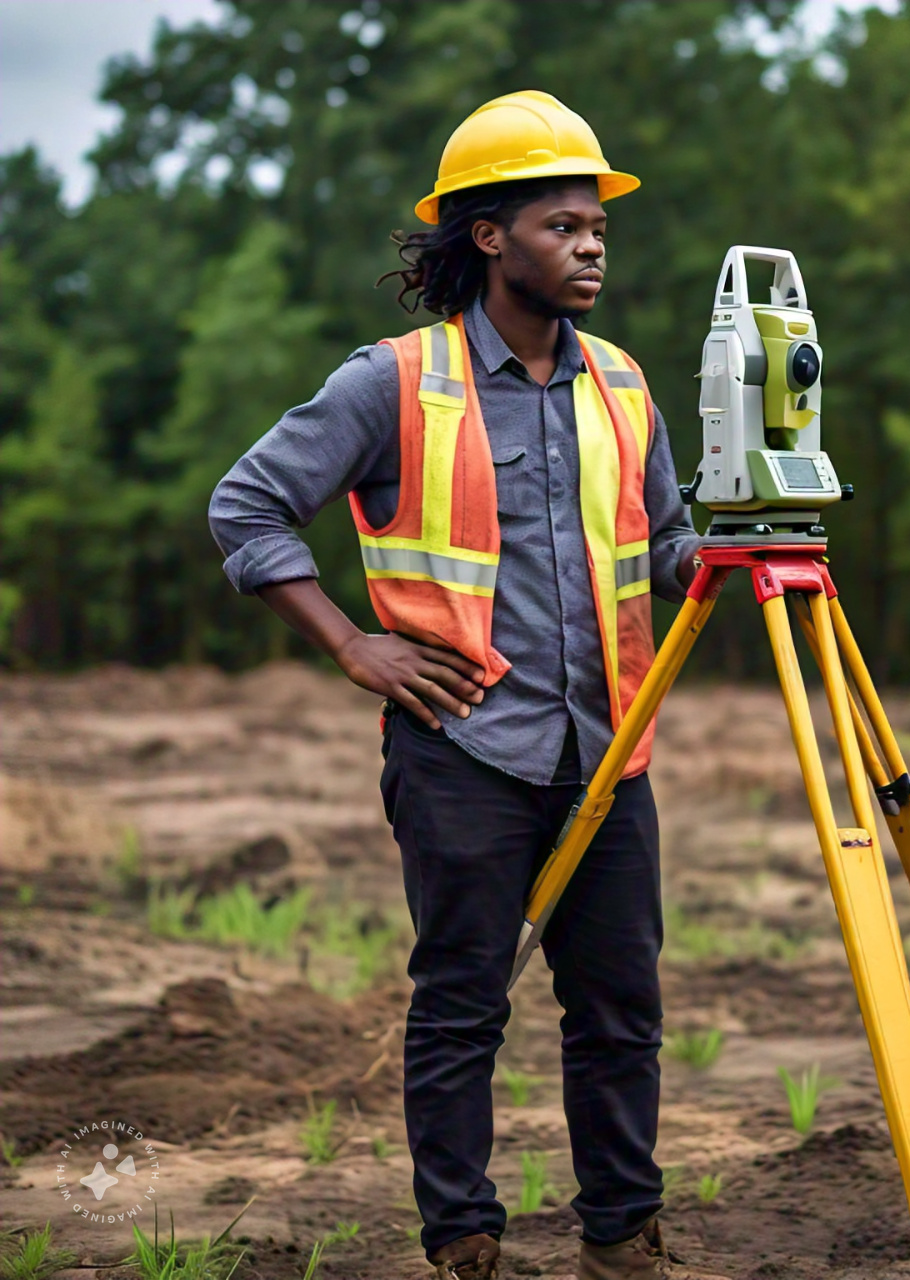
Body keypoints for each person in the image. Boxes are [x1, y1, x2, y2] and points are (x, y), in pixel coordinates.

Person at [209, 91, 710, 1280]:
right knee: (458, 1007)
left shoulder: (624, 388)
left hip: (609, 746)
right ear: (488, 236)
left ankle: (623, 1236)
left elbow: (666, 548)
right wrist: (349, 643)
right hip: (463, 746)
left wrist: (747, 538)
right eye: (560, 225)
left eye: (597, 225)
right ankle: (464, 1240)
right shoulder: (393, 382)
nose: (590, 244)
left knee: (619, 1015)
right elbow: (246, 503)